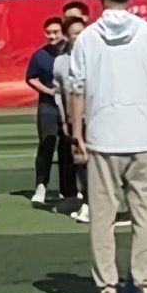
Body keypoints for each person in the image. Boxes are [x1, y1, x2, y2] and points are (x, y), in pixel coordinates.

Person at [65, 0, 147, 293]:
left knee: (102, 216)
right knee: (146, 216)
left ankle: (107, 288)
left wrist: (77, 134)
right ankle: (146, 286)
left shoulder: (86, 38)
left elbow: (76, 88)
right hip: (142, 135)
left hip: (103, 136)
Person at [25, 18, 73, 209]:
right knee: (47, 145)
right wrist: (48, 91)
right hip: (48, 108)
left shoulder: (73, 53)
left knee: (67, 148)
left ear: (64, 33)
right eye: (48, 32)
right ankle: (41, 187)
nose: (52, 36)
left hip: (69, 107)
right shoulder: (40, 55)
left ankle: (68, 189)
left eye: (56, 32)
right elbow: (31, 78)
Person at [53, 16, 90, 222]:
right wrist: (65, 120)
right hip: (75, 120)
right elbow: (59, 94)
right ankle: (86, 200)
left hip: (96, 118)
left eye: (82, 32)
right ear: (67, 36)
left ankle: (94, 203)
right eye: (75, 33)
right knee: (80, 162)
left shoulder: (96, 57)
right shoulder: (60, 62)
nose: (80, 37)